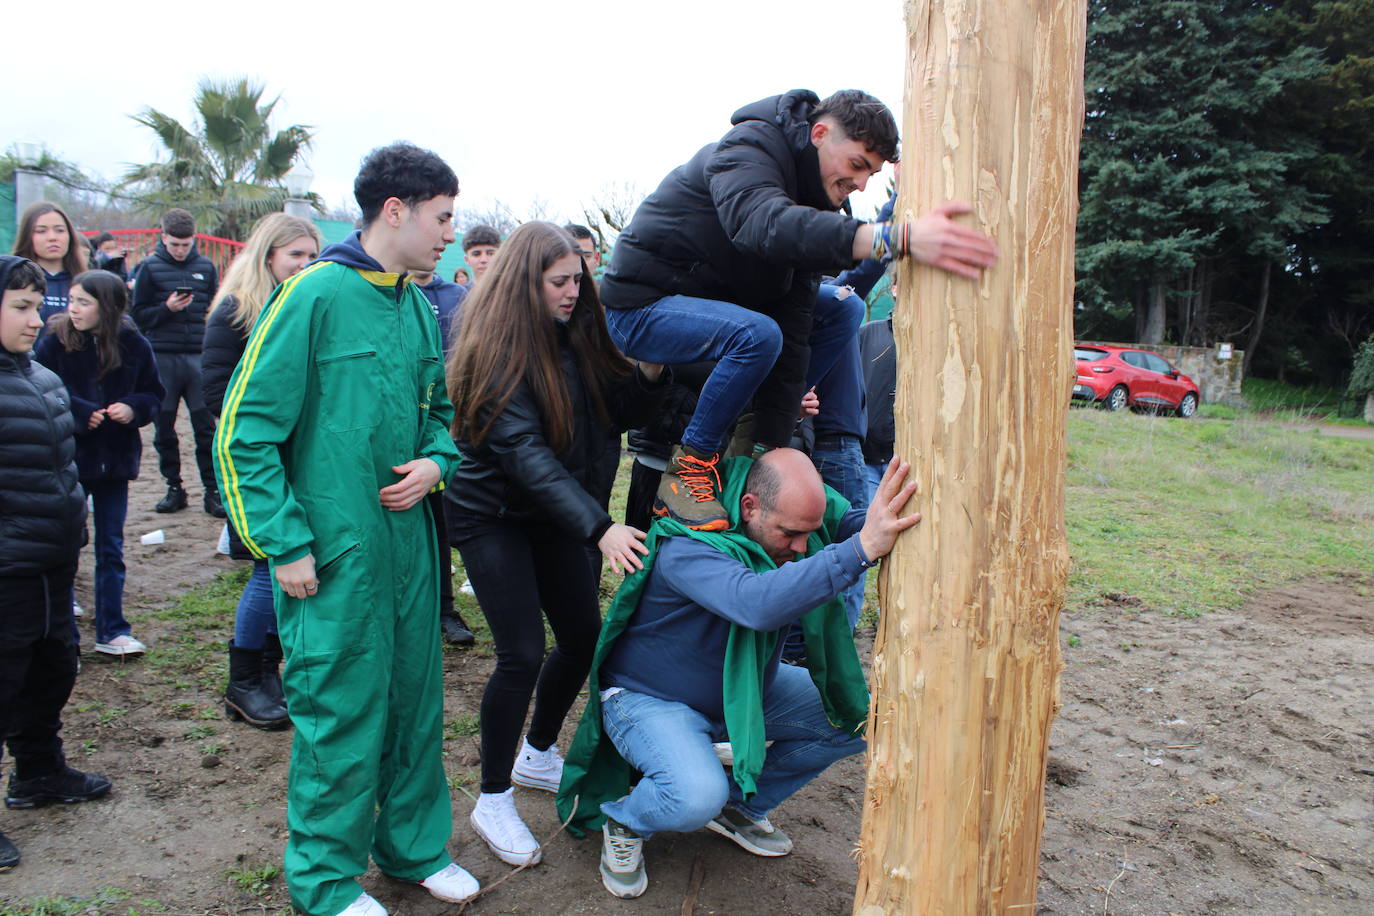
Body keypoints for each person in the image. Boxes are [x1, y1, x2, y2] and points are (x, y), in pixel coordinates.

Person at [214, 142, 479, 914]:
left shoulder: (416, 305)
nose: (448, 237)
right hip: (332, 557)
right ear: (394, 211)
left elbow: (441, 414)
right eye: (442, 219)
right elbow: (244, 430)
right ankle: (326, 881)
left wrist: (437, 463)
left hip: (408, 552)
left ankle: (414, 848)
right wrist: (284, 541)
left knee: (413, 702)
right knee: (339, 711)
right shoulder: (314, 295)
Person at [599, 88, 996, 531]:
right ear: (820, 133)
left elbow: (795, 321)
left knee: (840, 309)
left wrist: (773, 443)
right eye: (857, 165)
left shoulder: (819, 197)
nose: (861, 184)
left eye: (872, 174)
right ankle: (689, 470)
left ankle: (752, 441)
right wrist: (893, 238)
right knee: (757, 334)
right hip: (641, 308)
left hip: (721, 320)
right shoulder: (749, 147)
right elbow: (762, 224)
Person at [557, 449, 921, 898]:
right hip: (649, 700)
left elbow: (844, 525)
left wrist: (889, 515)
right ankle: (627, 819)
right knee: (692, 795)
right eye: (790, 534)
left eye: (809, 534)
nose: (802, 547)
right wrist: (860, 551)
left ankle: (736, 805)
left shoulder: (787, 521)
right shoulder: (691, 540)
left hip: (744, 688)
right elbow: (757, 603)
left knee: (857, 718)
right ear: (749, 507)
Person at [445, 221, 668, 869]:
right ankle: (492, 798)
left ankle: (538, 753)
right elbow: (526, 456)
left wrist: (651, 370)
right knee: (520, 653)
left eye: (578, 279)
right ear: (526, 283)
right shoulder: (494, 348)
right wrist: (601, 528)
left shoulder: (582, 332)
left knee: (581, 637)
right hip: (494, 516)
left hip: (558, 516)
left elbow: (622, 411)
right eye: (559, 282)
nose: (574, 291)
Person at [0, 255, 112, 872]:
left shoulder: (40, 377)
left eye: (34, 305)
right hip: (7, 568)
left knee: (52, 669)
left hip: (51, 560)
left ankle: (38, 772)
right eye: (18, 306)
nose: (33, 318)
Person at [202, 213, 323, 729]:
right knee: (266, 568)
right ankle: (243, 680)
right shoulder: (235, 313)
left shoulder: (306, 309)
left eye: (312, 256)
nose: (304, 265)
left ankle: (270, 673)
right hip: (254, 468)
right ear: (267, 256)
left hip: (300, 465)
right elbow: (216, 396)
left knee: (286, 573)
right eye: (295, 254)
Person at [34, 270, 164, 657]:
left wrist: (134, 408)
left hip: (115, 463)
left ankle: (111, 629)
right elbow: (39, 389)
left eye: (83, 302)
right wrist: (80, 413)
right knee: (64, 545)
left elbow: (154, 393)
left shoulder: (134, 344)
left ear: (107, 307)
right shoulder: (55, 341)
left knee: (110, 546)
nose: (73, 309)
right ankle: (61, 638)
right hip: (69, 461)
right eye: (72, 300)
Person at [130, 208, 221, 517]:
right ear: (163, 237)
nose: (181, 251)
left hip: (198, 355)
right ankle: (174, 487)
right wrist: (166, 309)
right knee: (164, 428)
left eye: (186, 244)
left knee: (205, 428)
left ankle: (212, 491)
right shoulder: (149, 268)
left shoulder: (206, 267)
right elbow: (138, 316)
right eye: (175, 245)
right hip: (163, 357)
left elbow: (216, 309)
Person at [408, 265, 476, 647]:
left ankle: (444, 609)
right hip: (399, 434)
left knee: (439, 522)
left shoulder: (455, 294)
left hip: (444, 425)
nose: (443, 237)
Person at [12, 201, 89, 331]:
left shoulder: (86, 283)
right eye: (41, 231)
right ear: (27, 236)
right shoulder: (12, 281)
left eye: (59, 230)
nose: (52, 237)